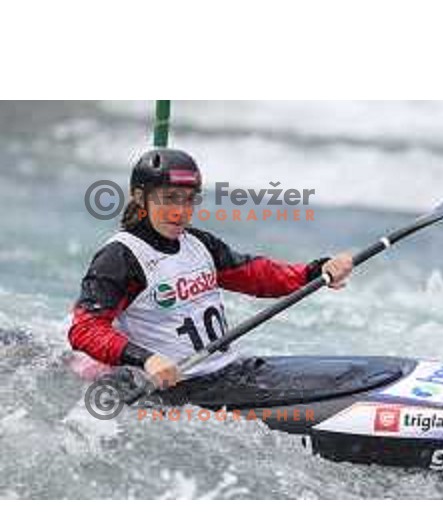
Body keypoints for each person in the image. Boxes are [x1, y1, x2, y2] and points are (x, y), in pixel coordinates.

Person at [68, 148, 353, 393]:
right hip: (182, 386)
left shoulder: (198, 243)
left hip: (229, 371)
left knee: (346, 374)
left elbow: (256, 274)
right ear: (140, 198)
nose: (180, 211)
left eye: (189, 199)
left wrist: (315, 271)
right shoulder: (120, 257)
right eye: (169, 198)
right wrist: (146, 359)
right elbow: (85, 329)